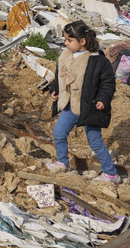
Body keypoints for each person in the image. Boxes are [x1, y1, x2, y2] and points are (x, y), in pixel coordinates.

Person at [46, 21, 120, 183]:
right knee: (59, 133)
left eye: (69, 40)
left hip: (90, 106)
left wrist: (102, 99)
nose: (65, 43)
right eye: (65, 40)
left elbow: (107, 83)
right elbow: (61, 76)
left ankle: (111, 174)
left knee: (94, 141)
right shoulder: (65, 56)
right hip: (69, 104)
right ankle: (63, 162)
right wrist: (55, 90)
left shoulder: (98, 61)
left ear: (82, 41)